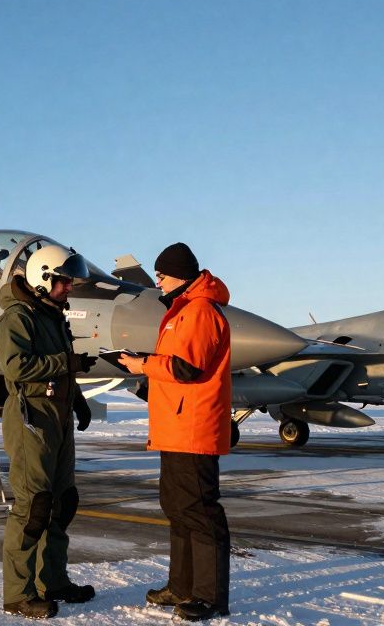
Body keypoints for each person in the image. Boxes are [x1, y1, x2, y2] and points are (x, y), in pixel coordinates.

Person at [118, 242, 232, 621]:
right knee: (177, 508)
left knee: (199, 511)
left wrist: (143, 366)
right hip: (176, 426)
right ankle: (182, 587)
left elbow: (187, 367)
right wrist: (147, 369)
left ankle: (209, 596)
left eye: (161, 275)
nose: (158, 281)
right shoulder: (182, 311)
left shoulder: (199, 311)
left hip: (193, 427)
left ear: (180, 275)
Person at [0, 244, 98, 619]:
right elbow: (17, 367)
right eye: (64, 282)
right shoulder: (17, 319)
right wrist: (67, 362)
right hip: (31, 421)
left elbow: (61, 370)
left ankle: (52, 580)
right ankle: (17, 593)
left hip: (58, 417)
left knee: (62, 502)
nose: (69, 289)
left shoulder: (53, 317)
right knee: (33, 506)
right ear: (43, 279)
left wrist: (78, 397)